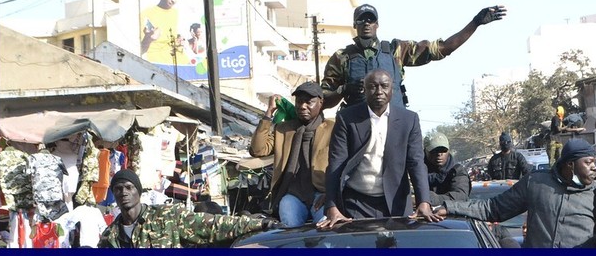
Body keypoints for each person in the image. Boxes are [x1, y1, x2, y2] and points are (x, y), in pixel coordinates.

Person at [318, 69, 442, 228]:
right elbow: (336, 163)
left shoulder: (409, 120)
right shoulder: (346, 118)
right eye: (372, 86)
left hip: (395, 202)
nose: (379, 91)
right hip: (356, 202)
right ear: (364, 88)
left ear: (392, 89)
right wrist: (332, 206)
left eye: (384, 86)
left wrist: (423, 201)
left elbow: (416, 162)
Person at [321, 3, 506, 110]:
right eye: (361, 20)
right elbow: (322, 99)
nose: (366, 24)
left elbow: (442, 49)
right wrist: (344, 89)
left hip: (394, 127)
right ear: (355, 24)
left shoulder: (396, 50)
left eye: (370, 19)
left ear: (377, 24)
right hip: (357, 131)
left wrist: (475, 23)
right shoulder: (342, 58)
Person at [437, 138, 596, 248]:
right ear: (570, 164)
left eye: (595, 162)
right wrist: (449, 207)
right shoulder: (536, 183)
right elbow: (493, 208)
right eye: (588, 162)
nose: (594, 168)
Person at [98, 169, 277, 248]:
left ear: (138, 191)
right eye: (118, 189)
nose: (124, 193)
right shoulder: (110, 237)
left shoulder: (166, 217)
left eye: (129, 187)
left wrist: (259, 224)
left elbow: (214, 225)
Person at [249, 82, 334, 227]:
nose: (302, 106)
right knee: (289, 224)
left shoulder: (333, 128)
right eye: (299, 102)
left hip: (322, 194)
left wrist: (331, 194)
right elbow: (257, 150)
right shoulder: (283, 129)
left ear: (321, 103)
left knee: (325, 227)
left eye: (309, 102)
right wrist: (269, 113)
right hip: (293, 195)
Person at [140, 0, 183, 64]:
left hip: (176, 65)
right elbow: (139, 50)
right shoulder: (146, 14)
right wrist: (148, 38)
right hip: (155, 66)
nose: (174, 0)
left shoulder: (176, 13)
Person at [423, 132, 471, 205]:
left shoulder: (457, 171)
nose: (439, 154)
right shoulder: (415, 171)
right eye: (434, 150)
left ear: (448, 151)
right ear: (425, 151)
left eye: (443, 150)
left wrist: (426, 198)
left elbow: (460, 197)